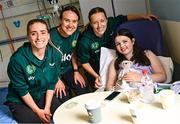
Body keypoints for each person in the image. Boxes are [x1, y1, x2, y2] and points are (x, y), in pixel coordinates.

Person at [77, 7, 158, 91]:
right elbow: (84, 62)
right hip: (94, 67)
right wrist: (96, 76)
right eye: (95, 23)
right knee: (99, 86)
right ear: (90, 24)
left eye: (102, 21)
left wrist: (143, 16)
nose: (99, 25)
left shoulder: (111, 23)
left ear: (107, 20)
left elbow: (126, 18)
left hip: (113, 58)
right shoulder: (85, 41)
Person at [5, 19, 62, 123]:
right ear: (28, 37)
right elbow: (22, 91)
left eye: (43, 32)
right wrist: (37, 111)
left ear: (48, 35)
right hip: (20, 100)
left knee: (62, 113)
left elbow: (51, 84)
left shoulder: (55, 55)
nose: (39, 37)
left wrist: (47, 108)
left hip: (41, 94)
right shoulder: (17, 60)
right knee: (36, 121)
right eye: (33, 34)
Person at [49, 5, 89, 99]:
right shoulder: (49, 36)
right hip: (52, 72)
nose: (70, 25)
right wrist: (56, 80)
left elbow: (73, 52)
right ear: (60, 20)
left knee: (83, 89)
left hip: (67, 69)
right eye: (67, 20)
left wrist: (76, 71)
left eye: (74, 21)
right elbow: (44, 63)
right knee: (63, 96)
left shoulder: (76, 34)